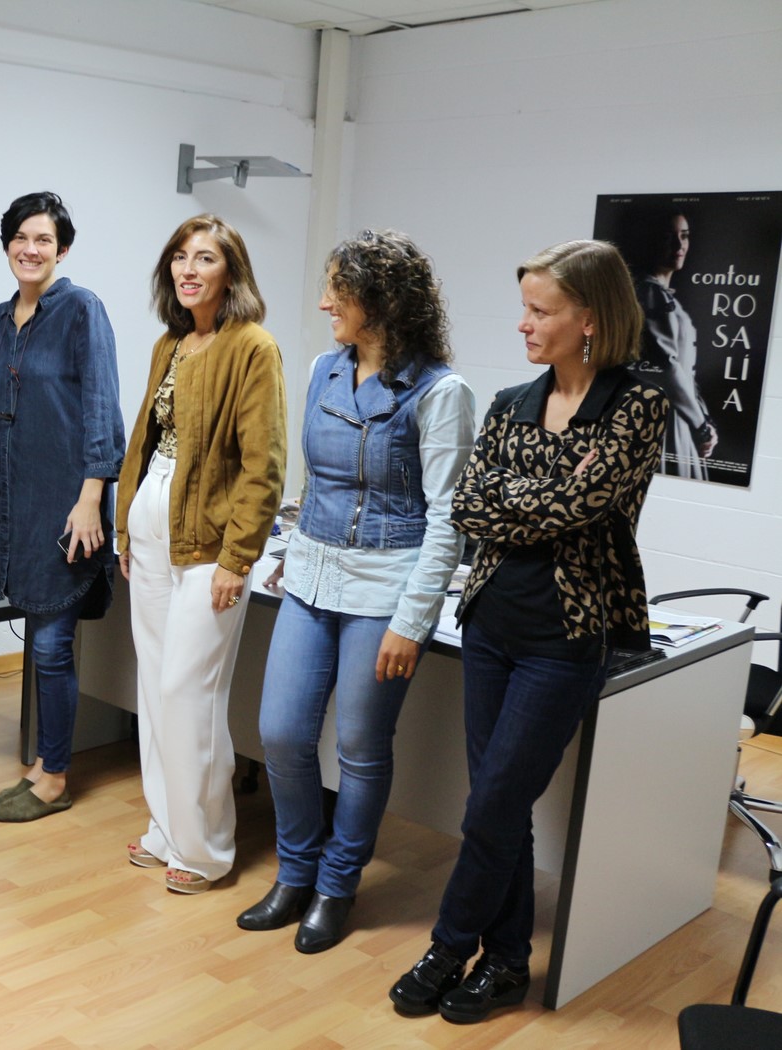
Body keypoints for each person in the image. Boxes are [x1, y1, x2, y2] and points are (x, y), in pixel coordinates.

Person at [388, 240, 667, 1024]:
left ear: (589, 318)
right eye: (524, 308)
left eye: (540, 311)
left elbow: (585, 508)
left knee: (493, 803)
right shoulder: (510, 400)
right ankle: (506, 963)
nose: (522, 324)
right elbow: (469, 506)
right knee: (495, 804)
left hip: (565, 638)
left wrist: (522, 493)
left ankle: (449, 945)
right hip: (489, 625)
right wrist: (541, 490)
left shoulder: (638, 402)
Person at [238, 231, 475, 951]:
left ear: (379, 301)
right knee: (279, 733)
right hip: (310, 576)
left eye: (336, 292)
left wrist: (413, 618)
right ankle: (295, 872)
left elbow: (447, 522)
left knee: (359, 747)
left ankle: (336, 887)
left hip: (385, 590)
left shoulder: (441, 393)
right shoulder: (322, 370)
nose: (322, 304)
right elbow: (316, 483)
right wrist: (296, 547)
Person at [116, 214, 287, 893]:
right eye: (180, 258)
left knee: (190, 693)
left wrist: (237, 559)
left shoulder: (253, 347)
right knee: (155, 689)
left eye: (205, 259)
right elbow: (143, 445)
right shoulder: (171, 343)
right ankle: (167, 829)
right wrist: (128, 531)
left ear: (230, 272)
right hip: (152, 524)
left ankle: (208, 848)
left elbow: (263, 465)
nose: (189, 269)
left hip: (209, 543)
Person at [0, 192, 125, 822]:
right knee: (38, 634)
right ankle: (42, 761)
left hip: (67, 505)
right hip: (13, 496)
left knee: (54, 644)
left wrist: (91, 499)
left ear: (63, 249)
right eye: (20, 238)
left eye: (44, 240)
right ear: (7, 244)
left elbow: (101, 410)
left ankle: (56, 775)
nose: (31, 250)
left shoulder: (82, 310)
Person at [624, 209, 716, 478]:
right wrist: (700, 425)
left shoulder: (659, 295)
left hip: (678, 414)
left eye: (684, 236)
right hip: (667, 417)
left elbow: (682, 370)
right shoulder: (650, 294)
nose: (679, 245)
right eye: (669, 237)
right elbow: (667, 366)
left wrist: (703, 421)